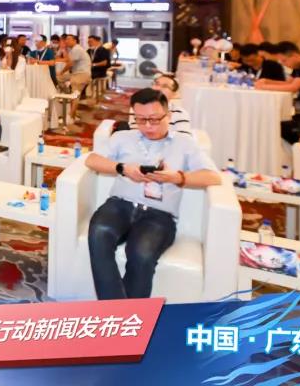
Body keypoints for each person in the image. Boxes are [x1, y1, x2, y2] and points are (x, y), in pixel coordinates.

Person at [85, 88, 220, 299]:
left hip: (158, 216)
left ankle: (122, 315)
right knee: (99, 232)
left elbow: (213, 177)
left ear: (168, 115)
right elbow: (91, 160)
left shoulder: (185, 144)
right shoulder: (122, 137)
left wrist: (177, 177)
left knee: (141, 254)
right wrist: (122, 168)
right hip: (120, 206)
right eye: (140, 119)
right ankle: (122, 313)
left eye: (154, 119)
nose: (148, 126)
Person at [59, 34, 92, 119]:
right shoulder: (73, 49)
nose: (66, 41)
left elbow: (70, 64)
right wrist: (63, 49)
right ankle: (72, 113)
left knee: (75, 95)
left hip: (81, 74)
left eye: (69, 39)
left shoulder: (76, 49)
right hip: (77, 74)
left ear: (75, 41)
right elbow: (67, 60)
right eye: (66, 39)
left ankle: (71, 117)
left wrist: (61, 72)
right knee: (58, 79)